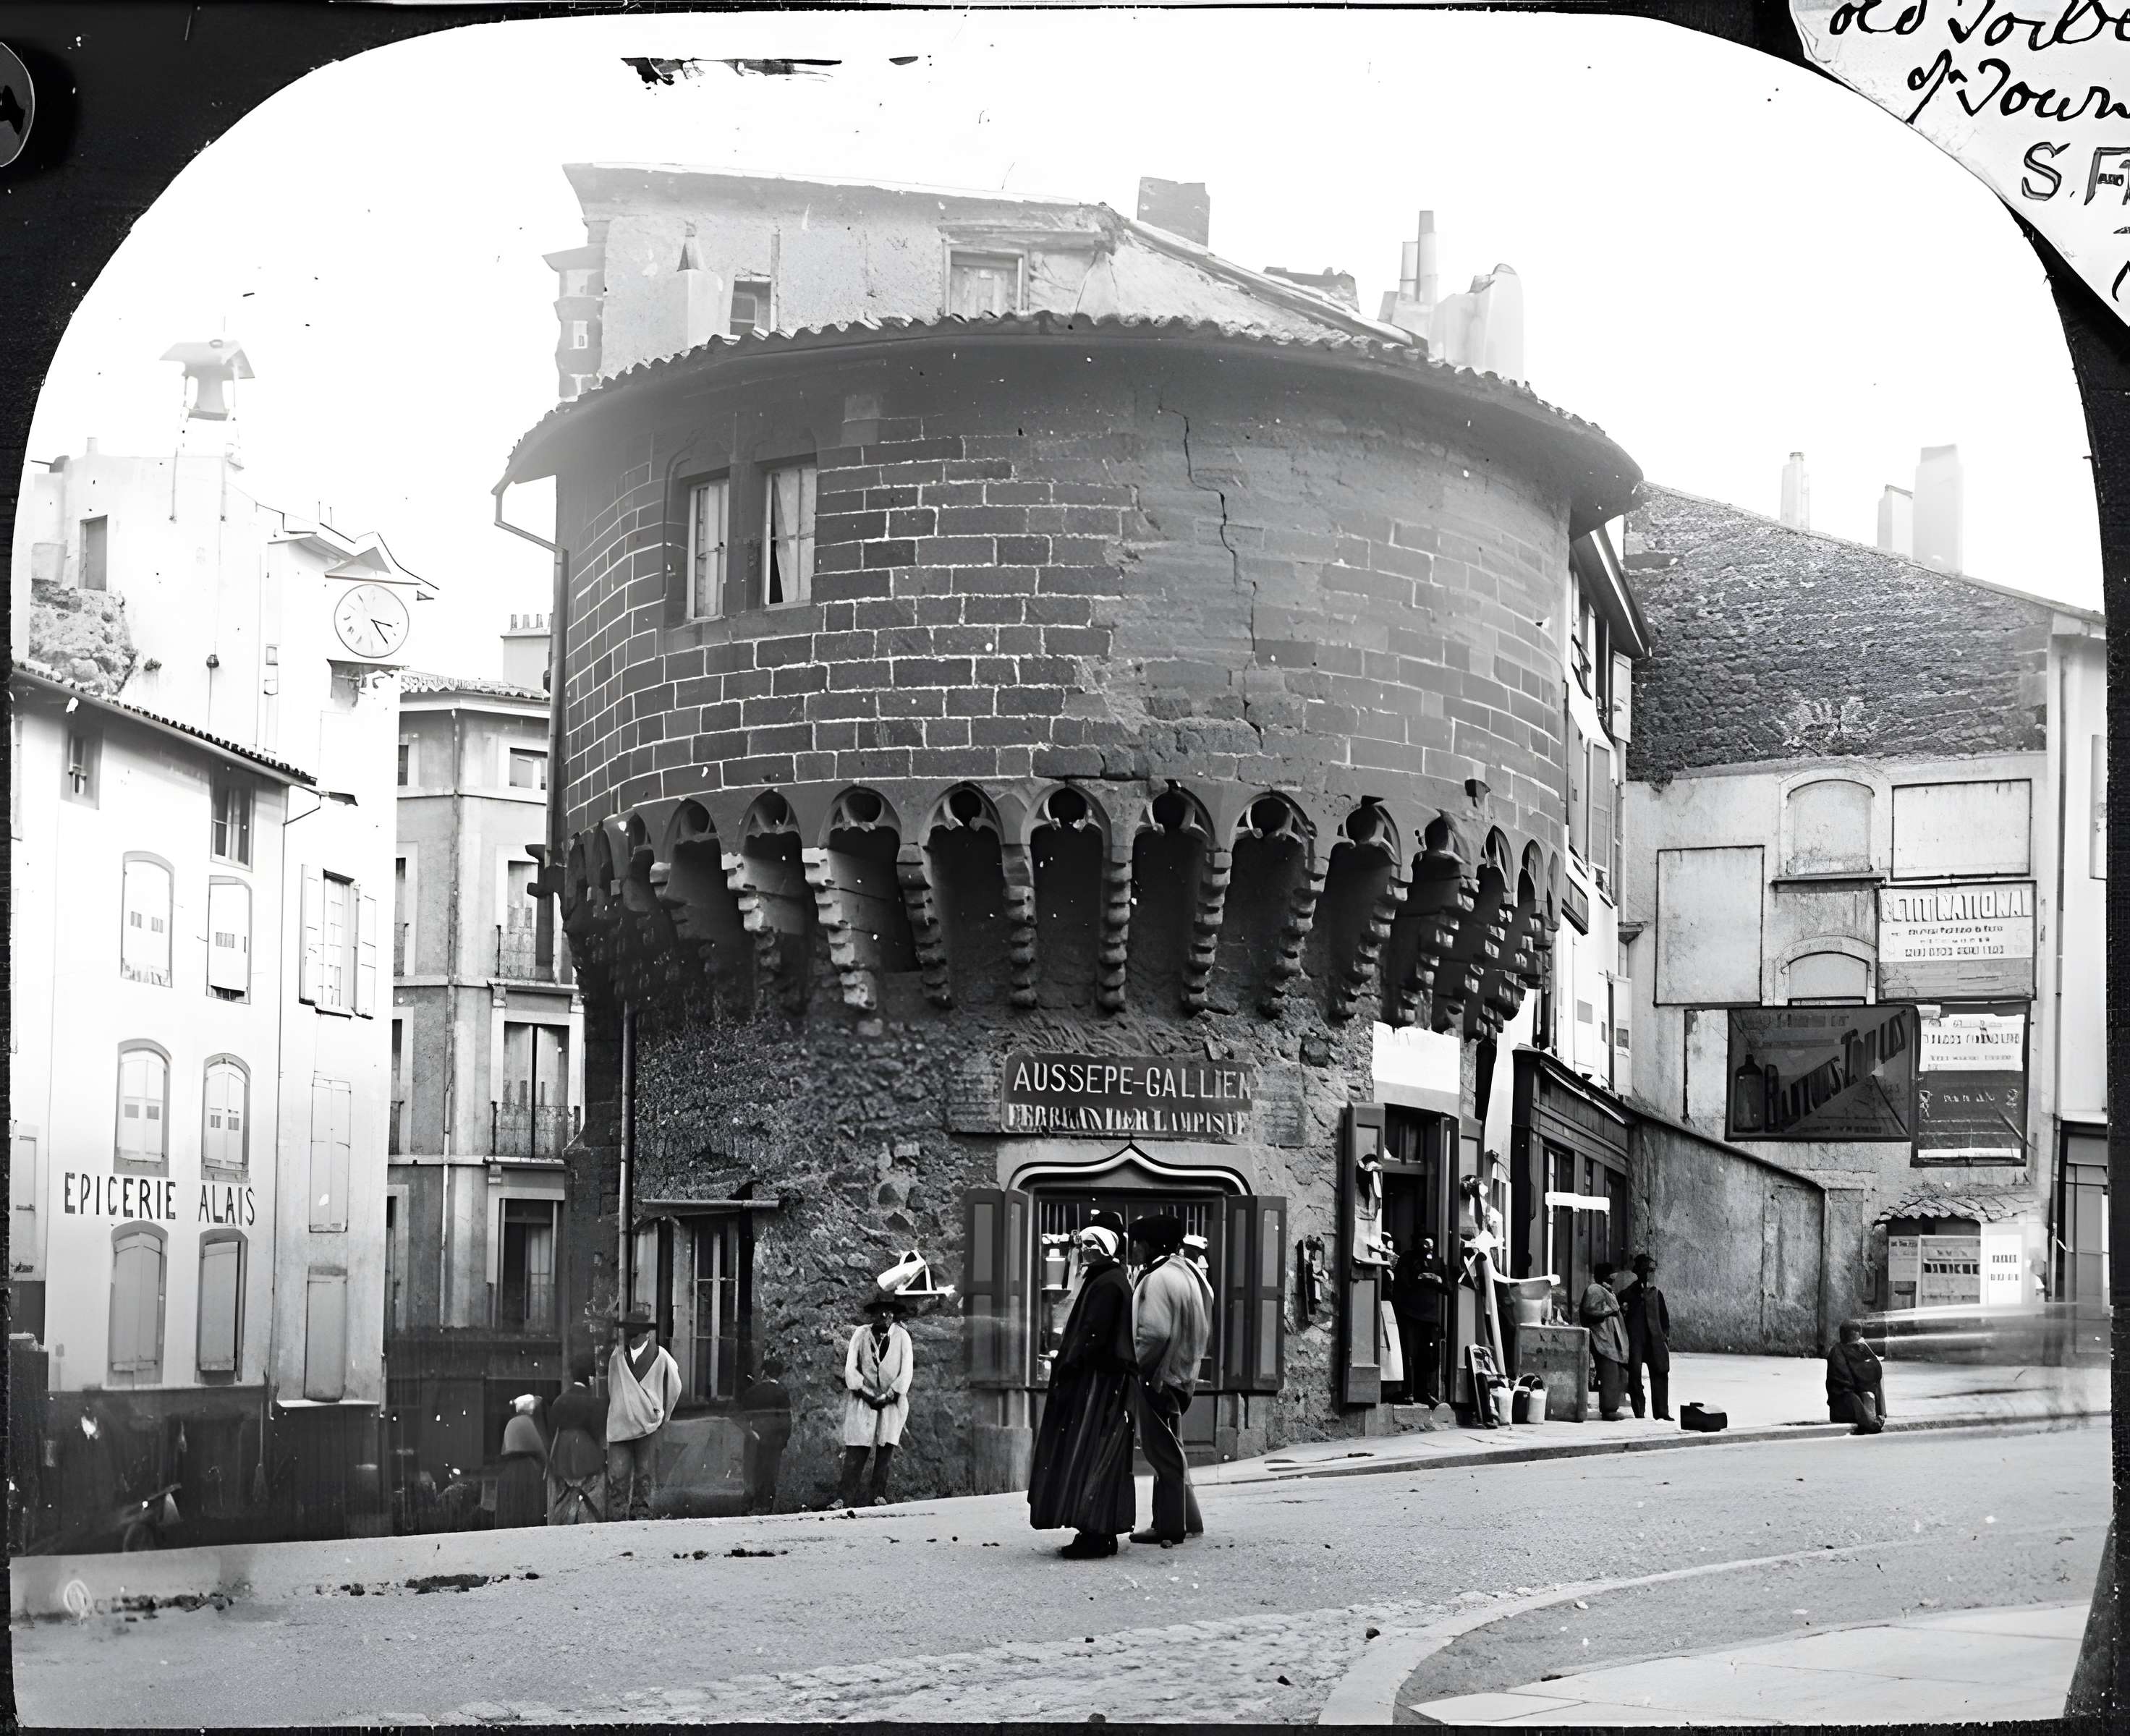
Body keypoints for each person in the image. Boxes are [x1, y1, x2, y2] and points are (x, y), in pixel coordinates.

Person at [1027, 1223, 1140, 1559]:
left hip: (1097, 1385)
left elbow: (1091, 1337)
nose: (1083, 1249)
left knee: (1090, 1454)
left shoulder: (1106, 1283)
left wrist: (1069, 1366)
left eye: (1090, 1243)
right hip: (1103, 1382)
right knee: (1099, 1454)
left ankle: (1094, 1533)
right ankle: (1100, 1531)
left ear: (1103, 1247)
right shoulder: (1108, 1280)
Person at [1127, 1214, 1212, 1549]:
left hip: (1159, 1378)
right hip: (1183, 1375)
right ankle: (1187, 1520)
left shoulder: (1157, 1279)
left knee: (1162, 1454)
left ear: (1150, 1245)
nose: (1133, 1247)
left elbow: (1153, 1333)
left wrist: (1135, 1367)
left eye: (1138, 1241)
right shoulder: (1189, 1274)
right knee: (1171, 1449)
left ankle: (1169, 1526)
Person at [606, 1305, 682, 1523]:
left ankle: (642, 1517)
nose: (630, 1337)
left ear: (646, 1334)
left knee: (645, 1475)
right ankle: (617, 1518)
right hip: (621, 1426)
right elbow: (613, 1389)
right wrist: (622, 1407)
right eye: (627, 1332)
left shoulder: (661, 1357)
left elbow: (674, 1388)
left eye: (634, 1333)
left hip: (648, 1425)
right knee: (618, 1477)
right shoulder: (617, 1357)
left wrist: (663, 1416)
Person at [836, 1294, 912, 1508]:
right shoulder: (861, 1334)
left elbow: (906, 1371)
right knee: (856, 1450)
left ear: (894, 1315)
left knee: (885, 1449)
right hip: (863, 1400)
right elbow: (850, 1369)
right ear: (873, 1314)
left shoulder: (902, 1337)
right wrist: (867, 1393)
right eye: (880, 1312)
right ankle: (843, 1498)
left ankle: (878, 1495)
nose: (885, 1316)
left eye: (889, 1312)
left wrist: (889, 1395)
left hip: (891, 1403)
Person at [546, 1351, 606, 1524]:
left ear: (572, 1375)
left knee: (563, 1500)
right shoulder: (595, 1403)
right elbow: (598, 1435)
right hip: (587, 1455)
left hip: (562, 1455)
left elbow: (552, 1434)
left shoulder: (559, 1401)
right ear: (590, 1377)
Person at [1390, 1236, 1447, 1407]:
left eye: (1431, 1246)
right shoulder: (1408, 1258)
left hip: (1429, 1316)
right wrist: (1422, 1277)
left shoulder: (1436, 1262)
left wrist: (1433, 1278)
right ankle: (1408, 1391)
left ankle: (1425, 1392)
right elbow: (1403, 1282)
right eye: (1425, 1245)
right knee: (1409, 1353)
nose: (1428, 1249)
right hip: (1410, 1313)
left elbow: (1447, 1286)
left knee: (1427, 1355)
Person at [737, 1355, 794, 1515]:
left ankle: (747, 1505)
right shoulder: (782, 1392)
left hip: (755, 1438)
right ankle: (764, 1507)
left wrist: (750, 1432)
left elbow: (741, 1415)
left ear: (764, 1373)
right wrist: (784, 1440)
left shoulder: (753, 1392)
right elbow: (786, 1420)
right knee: (769, 1474)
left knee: (752, 1472)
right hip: (774, 1441)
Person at [1624, 1253, 1673, 1422]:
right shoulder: (1629, 1293)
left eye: (1650, 1271)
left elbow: (1665, 1319)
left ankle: (1662, 1412)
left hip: (1655, 1341)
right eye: (1645, 1271)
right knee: (1635, 1375)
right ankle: (1639, 1410)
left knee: (1660, 1372)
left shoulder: (1656, 1294)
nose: (1648, 1274)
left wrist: (1664, 1337)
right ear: (1639, 1273)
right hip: (1636, 1341)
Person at [1580, 1261, 1629, 1422]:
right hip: (1601, 1339)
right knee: (1610, 1374)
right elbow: (1590, 1310)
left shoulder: (1607, 1291)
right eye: (1612, 1274)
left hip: (1610, 1341)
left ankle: (1611, 1406)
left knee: (1618, 1375)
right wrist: (1611, 1311)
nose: (1614, 1277)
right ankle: (1609, 1410)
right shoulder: (1594, 1290)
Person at [493, 1395, 548, 1529]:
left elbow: (504, 1449)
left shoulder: (511, 1423)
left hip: (509, 1470)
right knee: (527, 1505)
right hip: (526, 1469)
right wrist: (547, 1466)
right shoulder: (527, 1423)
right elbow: (539, 1448)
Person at [1825, 1320, 1888, 1434]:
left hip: (1857, 1389)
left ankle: (1878, 1416)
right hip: (1843, 1399)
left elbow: (1876, 1369)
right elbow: (1846, 1379)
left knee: (1875, 1388)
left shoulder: (1861, 1348)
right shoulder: (1837, 1352)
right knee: (1854, 1399)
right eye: (1856, 1335)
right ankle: (1870, 1423)